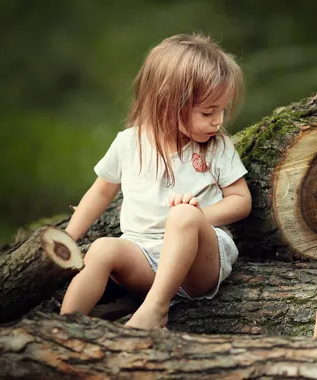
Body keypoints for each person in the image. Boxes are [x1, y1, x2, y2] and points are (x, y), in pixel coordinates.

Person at [60, 33, 252, 330]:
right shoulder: (128, 143)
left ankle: (155, 309)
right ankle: (63, 329)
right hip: (145, 259)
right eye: (208, 112)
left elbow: (241, 201)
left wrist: (200, 215)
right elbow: (100, 192)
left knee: (183, 215)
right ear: (168, 103)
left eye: (222, 110)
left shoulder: (217, 146)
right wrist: (68, 238)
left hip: (199, 265)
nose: (219, 121)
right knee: (100, 250)